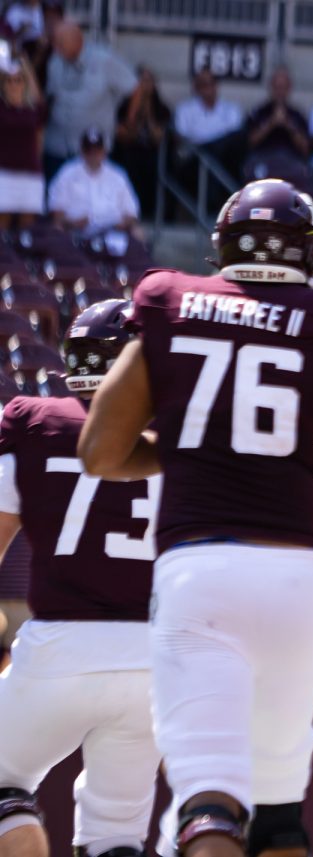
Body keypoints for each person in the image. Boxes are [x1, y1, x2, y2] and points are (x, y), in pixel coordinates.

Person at [77, 177, 313, 856]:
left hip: (199, 570)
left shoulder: (172, 300)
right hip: (294, 577)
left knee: (209, 805)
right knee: (278, 816)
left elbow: (100, 449)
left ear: (223, 246)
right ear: (312, 251)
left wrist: (186, 447)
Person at [0, 300, 160, 857]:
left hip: (60, 646)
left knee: (4, 784)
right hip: (154, 661)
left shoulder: (38, 426)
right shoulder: (183, 443)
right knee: (116, 835)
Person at [43, 20, 136, 179]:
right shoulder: (54, 62)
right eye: (54, 42)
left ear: (77, 38)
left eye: (60, 43)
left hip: (92, 150)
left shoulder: (104, 59)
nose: (56, 47)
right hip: (57, 147)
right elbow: (50, 96)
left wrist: (128, 122)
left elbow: (135, 87)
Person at [47, 126, 140, 237]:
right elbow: (56, 212)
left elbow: (132, 212)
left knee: (138, 233)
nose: (93, 154)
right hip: (75, 232)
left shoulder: (118, 175)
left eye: (97, 150)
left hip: (112, 232)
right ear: (81, 150)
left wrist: (123, 224)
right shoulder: (67, 172)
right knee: (56, 229)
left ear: (104, 151)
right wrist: (72, 223)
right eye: (88, 150)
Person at [111, 65, 170, 217]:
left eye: (148, 81)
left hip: (152, 154)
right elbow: (124, 136)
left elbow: (157, 138)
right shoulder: (123, 107)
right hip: (128, 153)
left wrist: (148, 112)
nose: (145, 86)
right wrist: (135, 110)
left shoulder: (161, 108)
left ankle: (153, 213)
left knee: (158, 166)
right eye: (141, 81)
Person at [0, 52, 45, 232]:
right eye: (9, 80)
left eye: (18, 80)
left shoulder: (33, 110)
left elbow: (39, 100)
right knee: (2, 224)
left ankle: (24, 261)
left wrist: (25, 64)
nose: (13, 84)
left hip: (30, 173)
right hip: (4, 173)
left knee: (28, 226)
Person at [244, 66, 311, 179]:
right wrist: (271, 123)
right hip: (263, 159)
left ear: (289, 88)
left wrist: (288, 125)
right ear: (271, 87)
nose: (280, 91)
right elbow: (249, 142)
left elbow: (305, 148)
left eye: (283, 87)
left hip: (290, 160)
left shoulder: (297, 115)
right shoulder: (259, 112)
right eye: (277, 87)